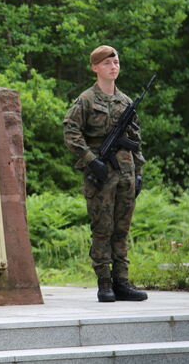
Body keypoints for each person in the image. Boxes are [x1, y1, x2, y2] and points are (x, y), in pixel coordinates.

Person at [62, 45, 148, 303]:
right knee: (102, 229)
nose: (114, 66)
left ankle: (122, 282)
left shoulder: (126, 102)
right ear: (95, 67)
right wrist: (90, 160)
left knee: (121, 230)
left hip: (126, 173)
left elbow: (136, 139)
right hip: (101, 175)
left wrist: (139, 171)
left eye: (116, 62)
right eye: (108, 63)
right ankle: (104, 283)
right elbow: (71, 134)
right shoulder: (86, 100)